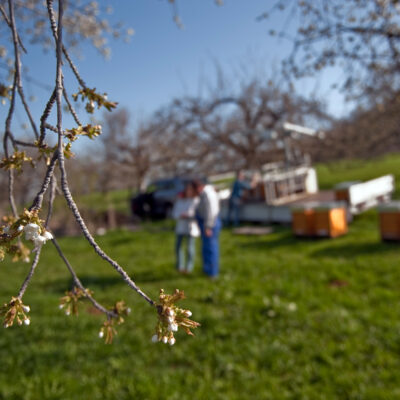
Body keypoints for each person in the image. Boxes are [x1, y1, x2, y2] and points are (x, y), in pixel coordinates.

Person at [191, 180, 221, 278]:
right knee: (206, 247)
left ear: (198, 187)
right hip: (206, 223)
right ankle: (207, 270)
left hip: (210, 224)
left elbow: (211, 211)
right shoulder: (204, 193)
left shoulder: (208, 194)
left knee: (210, 248)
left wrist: (208, 226)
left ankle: (212, 272)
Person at [172, 183, 200, 274]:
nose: (189, 192)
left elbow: (197, 213)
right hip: (181, 226)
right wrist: (180, 215)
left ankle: (189, 267)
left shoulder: (196, 200)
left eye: (191, 190)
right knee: (178, 247)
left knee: (190, 247)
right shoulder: (181, 200)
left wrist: (188, 215)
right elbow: (175, 213)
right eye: (187, 190)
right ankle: (180, 266)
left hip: (191, 227)